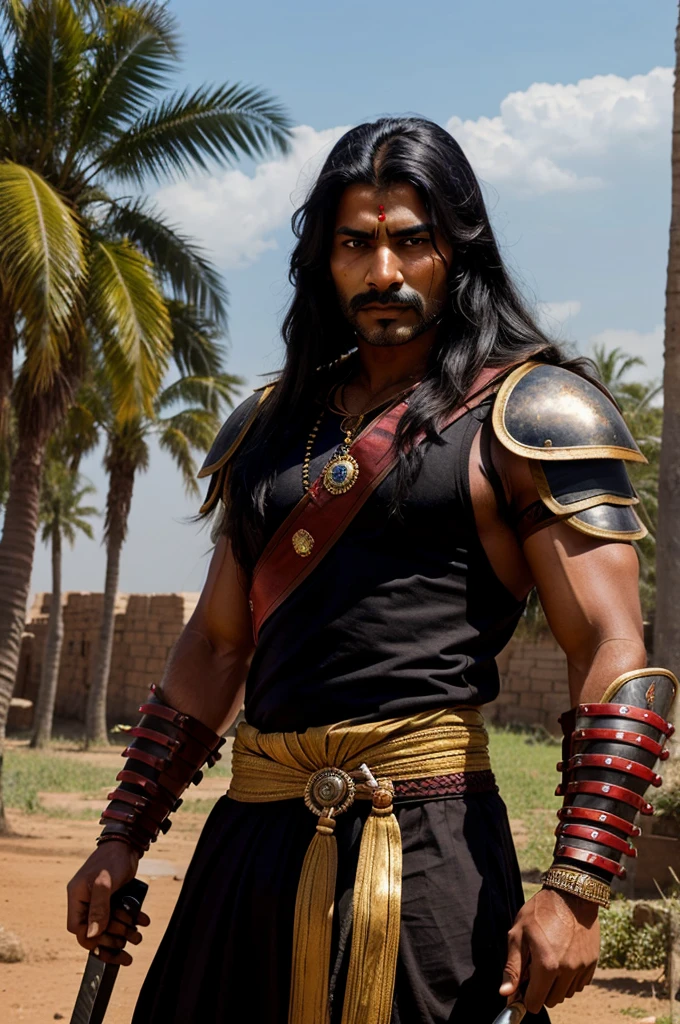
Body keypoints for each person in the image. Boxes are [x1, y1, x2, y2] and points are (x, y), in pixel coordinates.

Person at [66, 117, 676, 1024]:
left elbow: (613, 648)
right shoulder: (269, 427)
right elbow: (217, 646)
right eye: (356, 243)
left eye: (411, 242)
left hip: (429, 851)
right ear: (323, 257)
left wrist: (578, 885)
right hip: (253, 845)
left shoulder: (536, 413)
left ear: (455, 253)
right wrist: (123, 832)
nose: (383, 272)